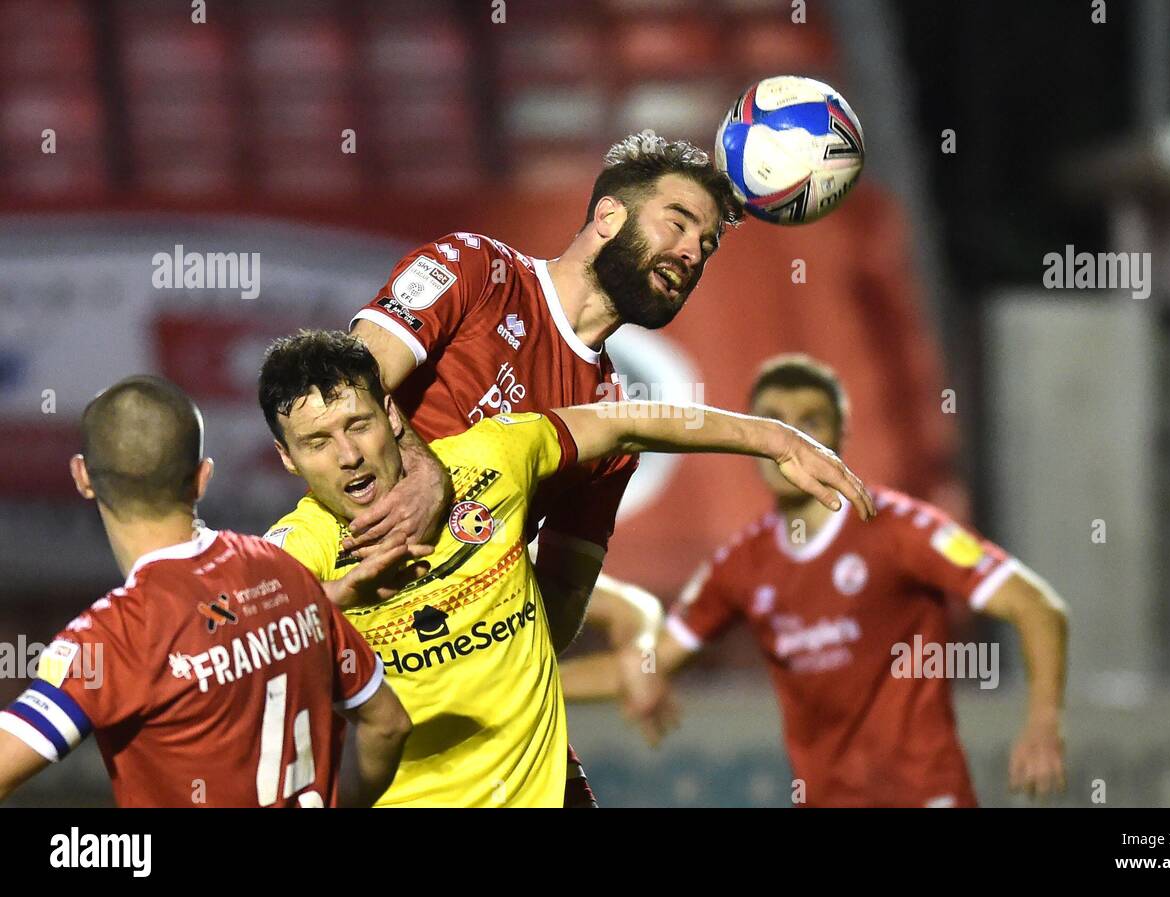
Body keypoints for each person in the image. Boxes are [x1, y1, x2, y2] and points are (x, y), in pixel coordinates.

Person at [257, 331, 871, 807]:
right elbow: (221, 638)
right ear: (287, 458)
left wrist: (778, 440)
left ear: (391, 415)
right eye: (317, 442)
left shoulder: (496, 456)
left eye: (357, 424)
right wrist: (336, 595)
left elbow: (626, 422)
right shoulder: (296, 550)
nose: (347, 455)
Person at [344, 129, 744, 805]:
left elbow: (557, 605)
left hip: (486, 696)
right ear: (608, 216)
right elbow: (346, 383)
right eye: (678, 223)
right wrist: (425, 472)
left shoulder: (612, 423)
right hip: (360, 663)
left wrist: (489, 620)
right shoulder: (476, 270)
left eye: (706, 245)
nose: (690, 252)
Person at [561, 355, 1069, 807]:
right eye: (777, 424)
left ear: (839, 438)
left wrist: (1044, 723)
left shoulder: (899, 529)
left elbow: (1036, 606)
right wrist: (517, 686)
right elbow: (645, 666)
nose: (794, 439)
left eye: (811, 422)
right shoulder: (742, 564)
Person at [0, 376, 410, 807]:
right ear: (202, 477)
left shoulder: (113, 637)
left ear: (83, 476)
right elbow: (388, 724)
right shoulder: (285, 572)